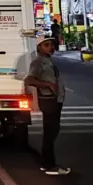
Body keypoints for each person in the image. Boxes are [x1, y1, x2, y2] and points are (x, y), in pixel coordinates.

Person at [24, 36, 70, 175]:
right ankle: (49, 165)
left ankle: (48, 164)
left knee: (52, 132)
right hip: (48, 100)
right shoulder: (38, 62)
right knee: (50, 133)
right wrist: (48, 85)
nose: (51, 47)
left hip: (54, 100)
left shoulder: (48, 61)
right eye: (46, 45)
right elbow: (29, 79)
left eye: (51, 45)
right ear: (39, 47)